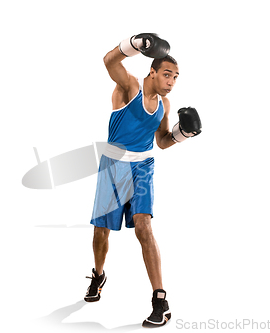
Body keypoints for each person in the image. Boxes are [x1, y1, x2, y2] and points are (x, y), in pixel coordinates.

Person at [84, 33, 202, 328]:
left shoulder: (165, 104)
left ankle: (160, 299)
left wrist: (181, 134)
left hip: (143, 167)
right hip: (113, 165)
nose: (171, 81)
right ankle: (99, 275)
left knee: (144, 227)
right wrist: (134, 44)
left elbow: (161, 141)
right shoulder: (130, 87)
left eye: (175, 76)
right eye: (166, 74)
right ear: (152, 71)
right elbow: (109, 61)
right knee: (101, 233)